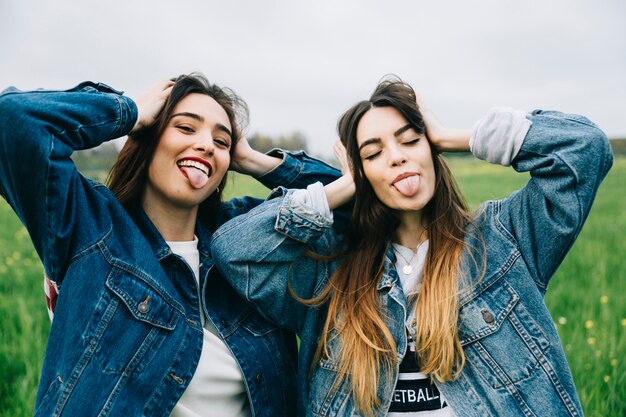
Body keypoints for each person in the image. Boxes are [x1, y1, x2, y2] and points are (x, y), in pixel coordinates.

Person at [210, 77, 614, 416]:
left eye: (410, 141)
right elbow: (234, 250)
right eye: (374, 153)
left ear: (431, 150)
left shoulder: (501, 239)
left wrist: (456, 137)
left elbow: (584, 148)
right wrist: (344, 187)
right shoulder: (331, 270)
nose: (398, 158)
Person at [0, 73, 342, 416]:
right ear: (148, 135)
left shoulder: (249, 240)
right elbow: (12, 120)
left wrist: (255, 160)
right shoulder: (89, 225)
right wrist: (129, 112)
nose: (207, 145)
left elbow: (354, 207)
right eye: (186, 128)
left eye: (221, 142)